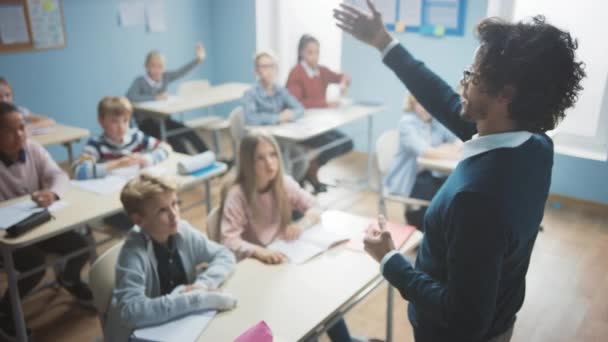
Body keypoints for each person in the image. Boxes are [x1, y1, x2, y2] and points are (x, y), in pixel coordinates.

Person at [335, 1, 585, 341]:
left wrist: (391, 260)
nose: (461, 82)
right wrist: (383, 41)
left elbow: (465, 320)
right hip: (500, 321)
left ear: (504, 96)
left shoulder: (478, 199)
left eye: (472, 75)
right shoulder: (534, 145)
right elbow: (443, 100)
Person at [219, 133, 364, 342]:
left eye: (272, 155)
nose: (270, 163)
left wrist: (301, 224)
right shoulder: (238, 194)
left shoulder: (283, 183)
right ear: (248, 162)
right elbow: (229, 239)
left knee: (322, 299)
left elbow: (315, 206)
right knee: (304, 312)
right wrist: (259, 251)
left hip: (285, 259)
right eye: (260, 158)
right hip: (258, 268)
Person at [104, 174, 237, 342]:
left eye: (174, 203)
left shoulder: (182, 230)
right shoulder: (133, 253)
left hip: (179, 326)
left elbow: (224, 255)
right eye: (162, 210)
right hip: (141, 335)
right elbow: (131, 311)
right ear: (139, 220)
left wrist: (202, 284)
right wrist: (192, 300)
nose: (174, 215)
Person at [0, 102, 92, 341]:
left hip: (38, 222)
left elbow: (58, 175)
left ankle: (69, 278)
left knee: (81, 245)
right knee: (33, 265)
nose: (19, 134)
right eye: (9, 131)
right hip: (8, 235)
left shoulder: (33, 148)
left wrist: (52, 193)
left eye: (22, 127)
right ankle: (6, 310)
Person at [286, 34, 354, 192]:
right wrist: (326, 104)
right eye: (310, 52)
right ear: (302, 53)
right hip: (302, 126)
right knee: (333, 145)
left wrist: (344, 82)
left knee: (345, 142)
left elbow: (343, 76)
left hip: (319, 124)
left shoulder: (320, 71)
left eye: (317, 52)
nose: (314, 56)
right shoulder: (296, 73)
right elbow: (297, 103)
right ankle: (310, 172)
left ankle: (311, 168)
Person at [384, 94, 461, 229]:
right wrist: (451, 153)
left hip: (430, 174)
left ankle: (439, 231)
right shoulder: (406, 123)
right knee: (445, 196)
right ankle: (424, 226)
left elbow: (458, 141)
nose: (424, 108)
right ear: (412, 105)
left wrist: (447, 150)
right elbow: (425, 151)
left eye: (428, 104)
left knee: (456, 191)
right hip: (410, 180)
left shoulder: (436, 122)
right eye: (419, 103)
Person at [126, 43, 209, 155]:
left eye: (160, 66)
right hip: (146, 124)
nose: (156, 70)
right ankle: (189, 165)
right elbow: (130, 97)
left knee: (188, 132)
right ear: (146, 66)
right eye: (153, 66)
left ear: (164, 68)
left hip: (163, 120)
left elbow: (181, 72)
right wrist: (155, 97)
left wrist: (198, 60)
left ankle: (209, 158)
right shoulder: (140, 81)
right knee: (176, 141)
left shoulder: (165, 77)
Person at [241, 51, 310, 183]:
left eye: (271, 66)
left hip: (282, 138)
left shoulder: (280, 90)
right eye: (264, 66)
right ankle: (282, 190)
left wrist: (291, 114)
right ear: (257, 71)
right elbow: (251, 118)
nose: (269, 70)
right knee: (283, 164)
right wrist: (278, 118)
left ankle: (286, 189)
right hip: (263, 141)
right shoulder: (250, 93)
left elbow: (300, 108)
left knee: (301, 159)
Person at [73, 96, 171, 180]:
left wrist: (147, 159)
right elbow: (79, 171)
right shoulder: (95, 144)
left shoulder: (136, 136)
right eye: (114, 121)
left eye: (125, 120)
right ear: (101, 121)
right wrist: (118, 164)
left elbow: (165, 147)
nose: (121, 127)